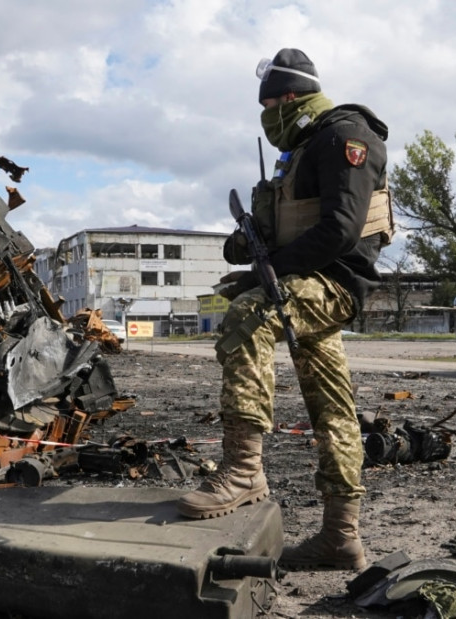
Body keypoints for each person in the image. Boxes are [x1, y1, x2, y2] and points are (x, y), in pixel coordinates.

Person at [176, 48, 393, 572]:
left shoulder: (346, 136)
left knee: (246, 314)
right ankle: (341, 539)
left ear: (290, 98)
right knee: (334, 409)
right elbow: (293, 224)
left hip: (334, 283)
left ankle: (244, 470)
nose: (266, 115)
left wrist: (261, 275)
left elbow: (341, 229)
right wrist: (248, 246)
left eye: (269, 103)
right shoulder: (302, 148)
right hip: (303, 280)